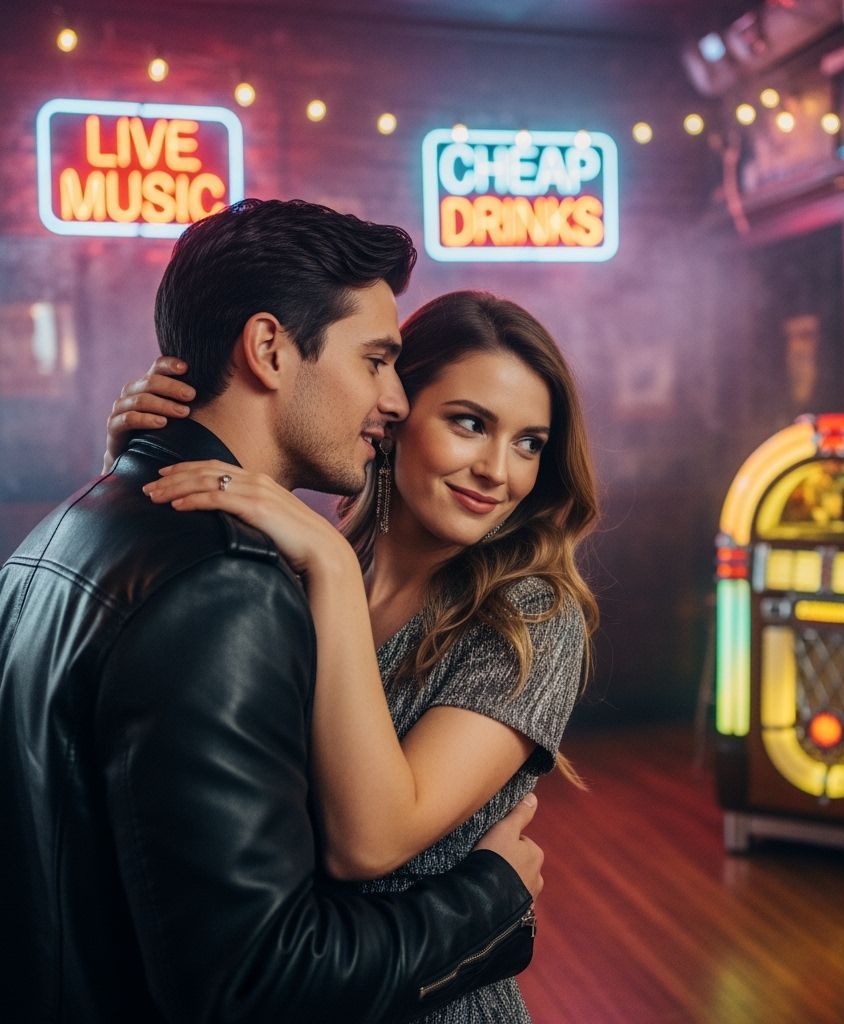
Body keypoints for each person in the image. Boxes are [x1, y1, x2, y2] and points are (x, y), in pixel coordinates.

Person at [0, 199, 545, 1024]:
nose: (391, 399)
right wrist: (491, 901)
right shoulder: (230, 582)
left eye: (529, 442)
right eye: (374, 360)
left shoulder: (63, 532)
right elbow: (258, 983)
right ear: (267, 348)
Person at [106, 288, 601, 1023]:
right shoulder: (306, 560)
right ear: (394, 414)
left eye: (529, 443)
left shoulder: (530, 615)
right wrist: (134, 467)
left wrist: (332, 570)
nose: (500, 471)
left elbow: (371, 842)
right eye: (470, 424)